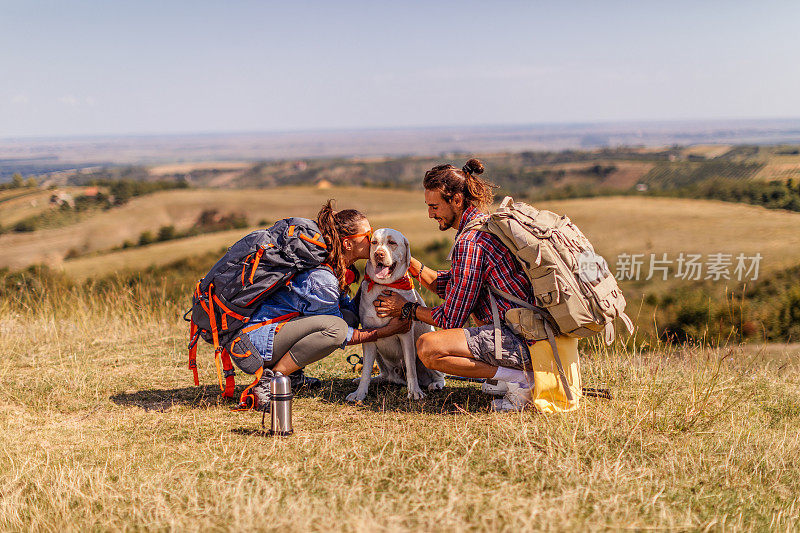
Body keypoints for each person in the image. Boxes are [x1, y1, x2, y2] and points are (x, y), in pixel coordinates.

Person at [374, 159, 562, 411]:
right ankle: (510, 376)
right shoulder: (484, 225)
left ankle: (521, 379)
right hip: (535, 334)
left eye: (434, 206)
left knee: (429, 348)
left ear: (456, 201)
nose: (430, 213)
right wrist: (408, 263)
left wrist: (405, 308)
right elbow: (455, 286)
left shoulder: (470, 241)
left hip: (523, 342)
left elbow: (450, 317)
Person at [247, 200, 410, 402]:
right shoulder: (322, 279)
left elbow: (347, 313)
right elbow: (341, 334)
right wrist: (385, 332)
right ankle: (271, 380)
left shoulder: (334, 266)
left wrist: (371, 286)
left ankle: (292, 374)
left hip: (273, 334)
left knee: (348, 316)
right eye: (368, 236)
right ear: (348, 244)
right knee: (335, 328)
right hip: (258, 343)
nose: (373, 240)